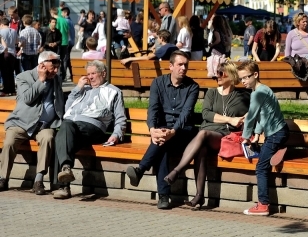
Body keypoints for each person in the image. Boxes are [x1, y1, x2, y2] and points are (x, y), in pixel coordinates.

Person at [163, 61, 249, 209]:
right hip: (207, 133)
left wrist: (245, 118)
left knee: (202, 134)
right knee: (201, 149)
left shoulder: (243, 96)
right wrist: (230, 119)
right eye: (217, 72)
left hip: (224, 136)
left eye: (222, 72)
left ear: (232, 75)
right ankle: (199, 196)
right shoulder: (212, 92)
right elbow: (206, 114)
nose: (218, 75)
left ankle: (177, 170)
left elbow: (254, 112)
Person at [125, 52, 199, 210]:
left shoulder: (192, 86)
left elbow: (186, 114)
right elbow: (153, 108)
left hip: (183, 132)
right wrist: (152, 130)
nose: (184, 68)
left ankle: (142, 171)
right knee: (162, 147)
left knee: (163, 141)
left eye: (186, 65)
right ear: (171, 66)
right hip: (161, 132)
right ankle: (163, 197)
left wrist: (173, 131)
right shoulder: (158, 83)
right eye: (180, 64)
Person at [52, 61, 126, 199]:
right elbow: (67, 109)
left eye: (93, 73)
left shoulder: (114, 91)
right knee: (63, 134)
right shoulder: (83, 90)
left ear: (103, 73)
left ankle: (63, 186)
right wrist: (77, 88)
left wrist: (116, 134)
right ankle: (66, 170)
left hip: (93, 127)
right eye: (88, 74)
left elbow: (121, 117)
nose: (90, 77)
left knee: (64, 131)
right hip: (73, 127)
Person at [0, 51, 64, 194]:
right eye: (54, 67)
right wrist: (40, 80)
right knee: (9, 142)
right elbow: (28, 98)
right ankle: (3, 178)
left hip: (44, 126)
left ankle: (38, 180)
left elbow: (59, 100)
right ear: (42, 65)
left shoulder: (56, 79)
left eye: (58, 67)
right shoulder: (24, 77)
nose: (56, 71)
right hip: (21, 123)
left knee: (48, 138)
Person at [238, 61, 288, 216]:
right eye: (241, 79)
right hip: (279, 133)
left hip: (275, 135)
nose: (243, 81)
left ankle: (263, 205)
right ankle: (279, 150)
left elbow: (251, 116)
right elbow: (264, 115)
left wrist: (246, 137)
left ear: (255, 75)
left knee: (261, 167)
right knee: (265, 157)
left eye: (246, 77)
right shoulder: (264, 89)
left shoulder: (257, 93)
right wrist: (257, 134)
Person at [0, 17, 18, 96]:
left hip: (4, 53)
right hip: (13, 53)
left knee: (5, 73)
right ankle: (12, 90)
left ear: (2, 24)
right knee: (11, 72)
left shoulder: (1, 31)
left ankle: (6, 90)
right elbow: (17, 41)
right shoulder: (14, 31)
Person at [58, 7, 74, 82]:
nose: (61, 14)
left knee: (65, 59)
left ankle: (64, 75)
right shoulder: (70, 20)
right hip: (71, 42)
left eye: (62, 13)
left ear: (65, 13)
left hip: (67, 42)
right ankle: (71, 74)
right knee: (67, 59)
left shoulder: (65, 21)